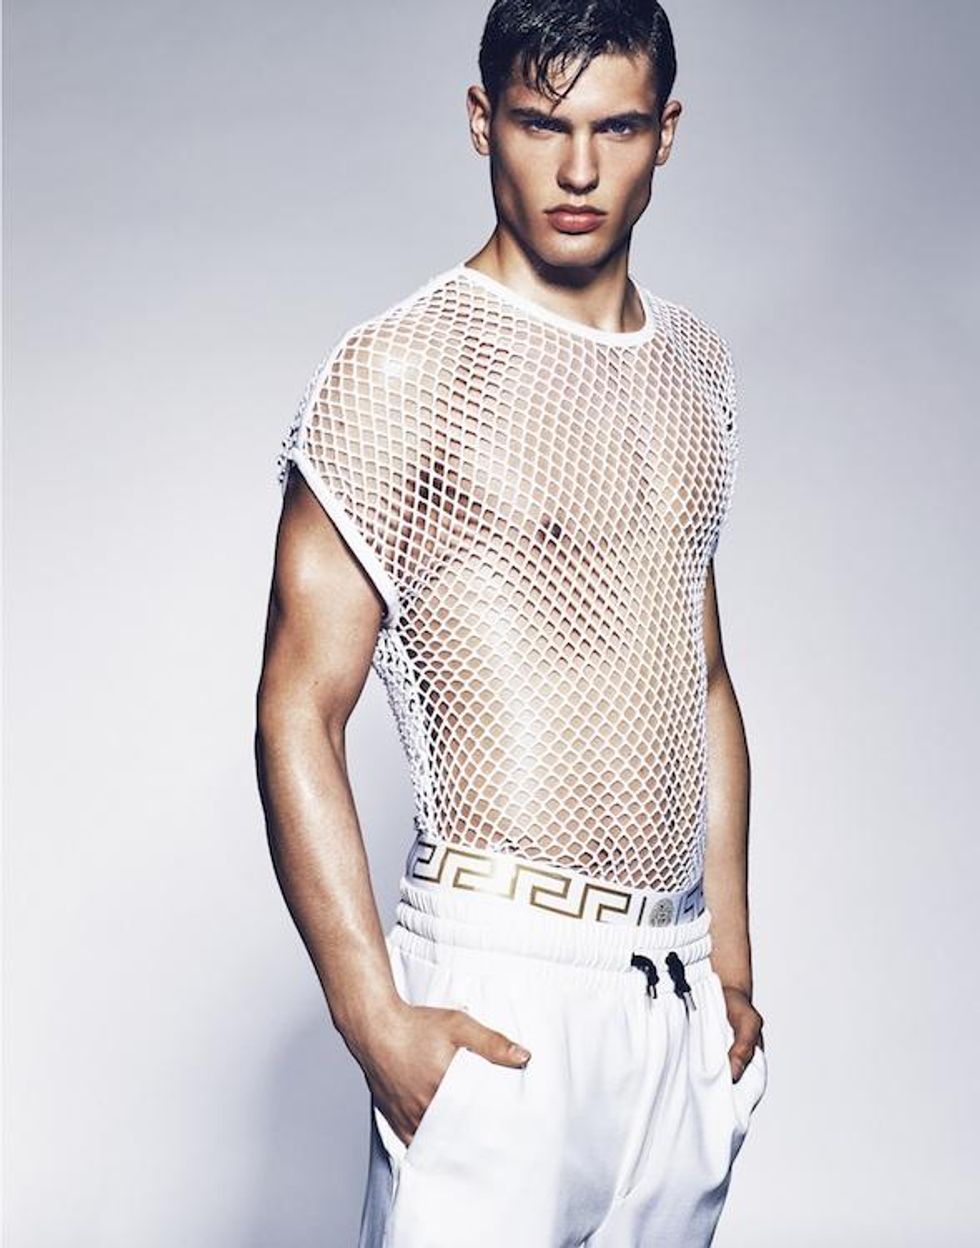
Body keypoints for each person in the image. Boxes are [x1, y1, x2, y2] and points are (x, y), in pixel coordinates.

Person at [255, 1, 767, 1243]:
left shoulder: (696, 368)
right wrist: (371, 1015)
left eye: (615, 128)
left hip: (671, 995)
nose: (577, 169)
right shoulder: (402, 369)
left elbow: (699, 676)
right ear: (483, 120)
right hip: (498, 976)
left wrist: (731, 966)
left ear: (665, 131)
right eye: (542, 125)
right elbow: (297, 707)